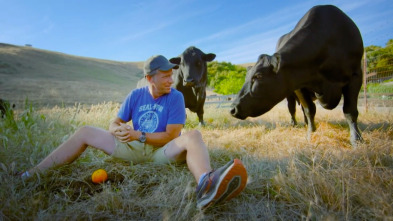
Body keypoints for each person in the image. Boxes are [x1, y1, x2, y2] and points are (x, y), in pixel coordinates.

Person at [20, 55, 248, 209]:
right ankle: (33, 173)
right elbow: (114, 121)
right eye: (165, 75)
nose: (171, 79)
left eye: (172, 74)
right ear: (150, 78)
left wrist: (138, 135)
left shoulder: (176, 97)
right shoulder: (135, 96)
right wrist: (118, 130)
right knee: (85, 131)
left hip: (161, 152)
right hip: (130, 148)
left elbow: (170, 135)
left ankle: (206, 185)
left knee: (194, 136)